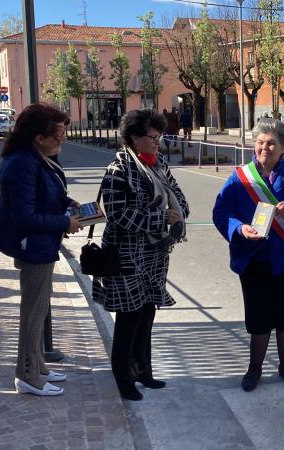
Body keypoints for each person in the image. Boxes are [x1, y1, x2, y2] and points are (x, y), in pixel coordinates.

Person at [212, 118, 284, 392]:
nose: (265, 148)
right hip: (255, 260)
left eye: (272, 143)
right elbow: (221, 211)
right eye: (260, 142)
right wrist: (239, 228)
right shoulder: (240, 178)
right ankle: (254, 369)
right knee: (258, 318)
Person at [92, 110, 189, 401]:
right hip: (126, 255)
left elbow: (178, 196)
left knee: (147, 313)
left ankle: (143, 370)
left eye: (160, 137)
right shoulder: (118, 169)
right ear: (134, 138)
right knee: (128, 318)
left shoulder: (158, 163)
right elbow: (117, 214)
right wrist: (160, 218)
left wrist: (178, 212)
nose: (158, 142)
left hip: (155, 253)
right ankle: (124, 378)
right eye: (153, 137)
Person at [0, 104, 81, 396]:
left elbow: (47, 195)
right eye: (59, 134)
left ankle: (37, 365)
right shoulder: (22, 163)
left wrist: (68, 205)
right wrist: (64, 222)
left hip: (41, 243)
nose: (63, 139)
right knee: (33, 311)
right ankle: (26, 374)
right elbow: (24, 216)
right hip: (32, 244)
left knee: (39, 308)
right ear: (39, 137)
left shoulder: (38, 157)